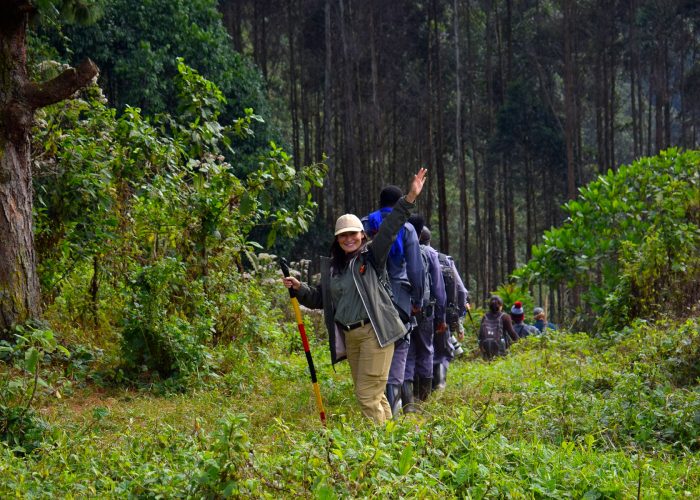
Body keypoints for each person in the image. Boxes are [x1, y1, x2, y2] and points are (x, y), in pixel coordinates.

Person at [281, 168, 427, 424]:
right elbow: (320, 299)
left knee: (366, 396)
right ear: (337, 239)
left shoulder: (372, 257)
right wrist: (299, 288)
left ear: (362, 235)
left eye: (353, 234)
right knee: (377, 396)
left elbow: (390, 229)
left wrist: (409, 199)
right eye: (343, 235)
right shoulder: (334, 268)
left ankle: (376, 453)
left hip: (375, 334)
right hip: (351, 338)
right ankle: (391, 441)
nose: (349, 238)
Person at [363, 185, 424, 416]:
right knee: (399, 349)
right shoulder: (407, 229)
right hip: (399, 298)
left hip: (369, 297)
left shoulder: (366, 224)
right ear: (400, 203)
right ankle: (395, 410)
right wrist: (418, 299)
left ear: (380, 202)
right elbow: (416, 269)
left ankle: (375, 405)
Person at [403, 215, 447, 407]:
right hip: (426, 311)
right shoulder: (429, 253)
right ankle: (424, 399)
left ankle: (407, 401)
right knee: (426, 350)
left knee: (407, 351)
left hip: (403, 310)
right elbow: (438, 288)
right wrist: (441, 316)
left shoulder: (400, 249)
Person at [420, 227, 469, 390]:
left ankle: (418, 391)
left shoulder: (407, 257)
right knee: (442, 351)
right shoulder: (443, 259)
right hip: (442, 315)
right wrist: (458, 315)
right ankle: (439, 384)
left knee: (419, 350)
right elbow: (461, 290)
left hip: (416, 314)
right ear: (429, 240)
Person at [478, 295, 518, 360]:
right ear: (500, 306)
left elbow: (480, 335)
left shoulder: (485, 316)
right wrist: (520, 342)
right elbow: (512, 333)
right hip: (500, 349)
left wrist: (481, 346)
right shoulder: (505, 316)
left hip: (486, 348)